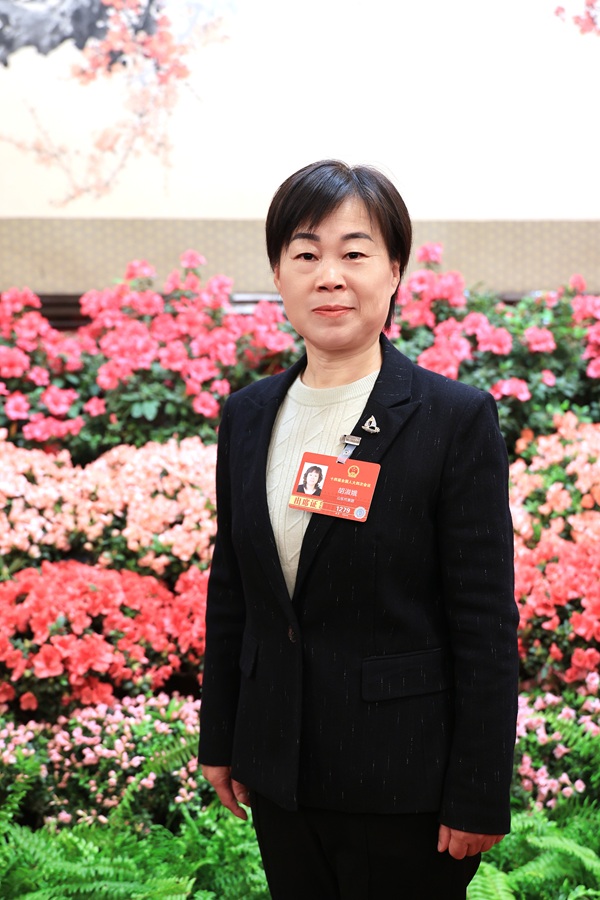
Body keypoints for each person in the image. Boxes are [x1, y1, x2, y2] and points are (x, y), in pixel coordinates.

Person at [199, 159, 519, 899]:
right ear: (278, 274)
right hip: (280, 776)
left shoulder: (452, 418)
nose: (330, 276)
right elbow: (233, 590)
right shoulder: (248, 415)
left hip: (405, 784)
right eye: (306, 254)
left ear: (394, 271)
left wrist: (478, 790)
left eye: (354, 253)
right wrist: (223, 735)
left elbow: (484, 622)